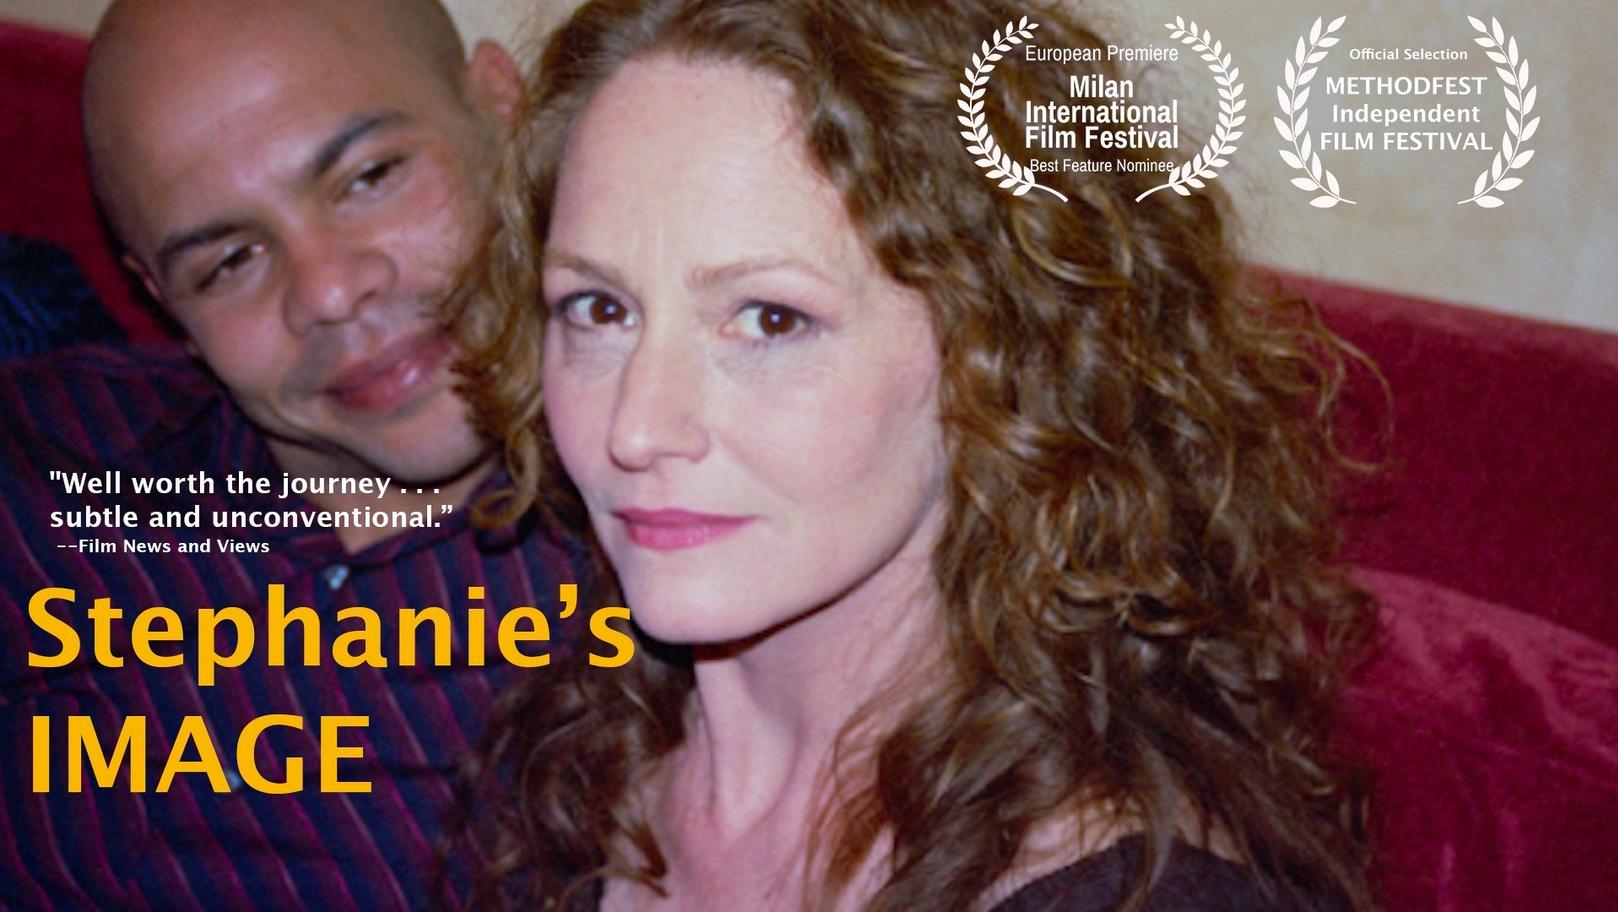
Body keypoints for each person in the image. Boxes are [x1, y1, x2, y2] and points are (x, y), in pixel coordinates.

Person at [452, 0, 1380, 909]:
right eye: (598, 310)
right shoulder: (567, 748)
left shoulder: (1142, 892)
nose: (635, 427)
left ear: (1004, 356)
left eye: (771, 319)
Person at [0, 1, 579, 909]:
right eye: (228, 262)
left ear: (503, 106)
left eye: (371, 176)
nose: (330, 291)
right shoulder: (49, 456)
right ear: (161, 296)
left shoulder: (693, 547)